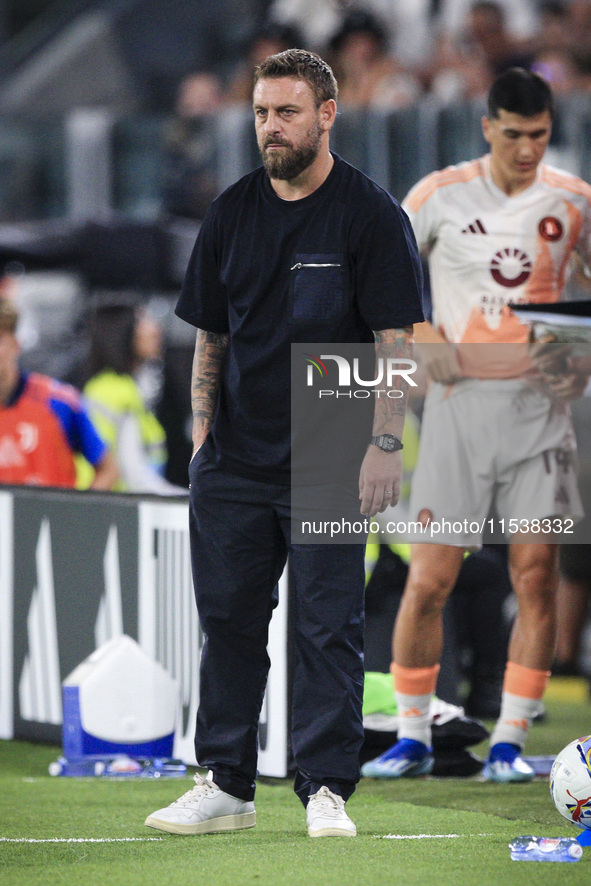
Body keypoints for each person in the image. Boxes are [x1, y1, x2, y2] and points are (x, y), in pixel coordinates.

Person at [144, 48, 424, 838]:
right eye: (263, 112)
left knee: (327, 625)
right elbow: (210, 337)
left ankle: (324, 788)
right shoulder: (230, 210)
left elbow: (394, 339)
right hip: (234, 456)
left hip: (335, 446)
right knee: (229, 620)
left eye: (287, 111)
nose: (270, 126)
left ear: (327, 114)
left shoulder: (369, 214)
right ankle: (226, 783)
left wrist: (384, 445)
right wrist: (202, 438)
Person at [360, 67, 591, 784]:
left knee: (535, 576)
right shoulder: (436, 196)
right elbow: (379, 287)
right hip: (458, 417)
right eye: (514, 134)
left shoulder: (574, 201)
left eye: (540, 136)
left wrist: (578, 359)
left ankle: (508, 744)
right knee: (429, 577)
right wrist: (420, 326)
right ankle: (409, 735)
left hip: (540, 419)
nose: (526, 149)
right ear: (487, 126)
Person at [0, 297, 117, 490]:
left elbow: (108, 469)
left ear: (15, 345)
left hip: (51, 519)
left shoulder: (59, 401)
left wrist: (81, 515)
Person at [80, 299, 186, 495]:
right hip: (109, 508)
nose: (155, 329)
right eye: (142, 321)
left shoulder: (126, 388)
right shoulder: (114, 392)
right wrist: (184, 499)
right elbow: (133, 476)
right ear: (122, 332)